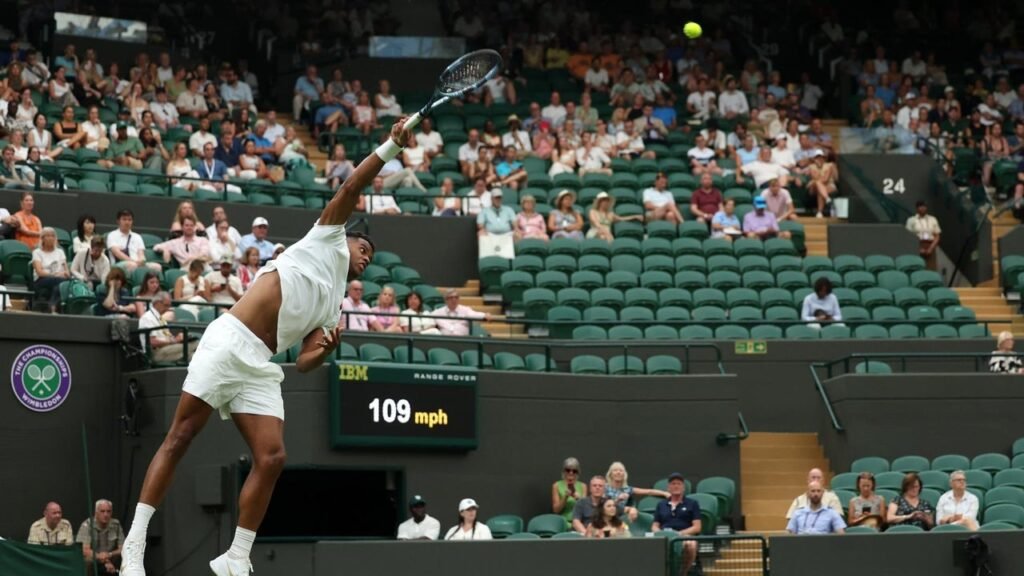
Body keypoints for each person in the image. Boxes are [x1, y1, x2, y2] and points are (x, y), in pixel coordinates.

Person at [120, 118, 402, 576]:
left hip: (260, 365)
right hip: (229, 342)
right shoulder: (326, 237)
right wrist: (391, 145)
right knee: (181, 436)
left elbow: (305, 363)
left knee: (272, 457)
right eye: (364, 249)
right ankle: (133, 545)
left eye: (371, 257)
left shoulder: (334, 305)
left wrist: (326, 351)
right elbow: (352, 185)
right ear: (346, 238)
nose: (367, 259)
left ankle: (236, 556)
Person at [651, 473, 701, 574]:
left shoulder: (692, 503)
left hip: (683, 536)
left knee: (691, 545)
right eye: (673, 484)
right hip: (665, 536)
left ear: (683, 487)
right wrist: (660, 534)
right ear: (668, 488)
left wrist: (679, 534)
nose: (676, 486)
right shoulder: (661, 504)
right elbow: (655, 526)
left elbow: (697, 527)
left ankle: (683, 573)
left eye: (679, 484)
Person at [137, 291, 199, 363]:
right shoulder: (147, 318)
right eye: (166, 305)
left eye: (169, 306)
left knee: (193, 356)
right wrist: (174, 341)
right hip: (156, 353)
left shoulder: (160, 318)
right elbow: (151, 342)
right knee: (196, 343)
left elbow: (167, 336)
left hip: (167, 348)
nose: (167, 308)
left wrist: (178, 338)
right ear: (157, 303)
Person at [605, 461, 670, 522]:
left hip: (620, 518)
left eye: (621, 470)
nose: (618, 472)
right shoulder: (605, 488)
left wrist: (664, 493)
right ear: (610, 474)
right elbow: (603, 506)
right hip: (606, 517)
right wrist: (618, 500)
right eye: (615, 470)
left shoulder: (627, 489)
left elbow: (648, 491)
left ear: (624, 474)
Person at [76, 499, 124, 574]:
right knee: (88, 561)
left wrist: (110, 555)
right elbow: (84, 550)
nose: (106, 514)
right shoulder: (87, 525)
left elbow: (123, 548)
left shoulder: (116, 525)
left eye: (108, 511)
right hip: (94, 559)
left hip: (111, 557)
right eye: (102, 511)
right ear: (96, 513)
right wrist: (103, 559)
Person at [107, 209, 161, 274]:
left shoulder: (137, 236)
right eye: (124, 219)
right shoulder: (112, 235)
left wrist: (142, 260)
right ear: (118, 221)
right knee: (132, 265)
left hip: (137, 263)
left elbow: (141, 253)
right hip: (120, 264)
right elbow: (117, 253)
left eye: (129, 220)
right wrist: (133, 261)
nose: (127, 222)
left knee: (157, 267)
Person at [32, 227, 69, 313]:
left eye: (53, 236)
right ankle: (53, 305)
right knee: (61, 282)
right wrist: (55, 275)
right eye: (48, 236)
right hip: (41, 279)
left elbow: (66, 271)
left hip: (59, 279)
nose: (51, 238)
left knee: (63, 283)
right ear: (42, 239)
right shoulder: (37, 252)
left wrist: (65, 273)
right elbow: (39, 272)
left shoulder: (60, 252)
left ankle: (52, 306)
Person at [905, 201, 941, 270]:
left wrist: (931, 248)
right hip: (917, 244)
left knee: (931, 268)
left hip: (930, 245)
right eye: (920, 206)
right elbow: (908, 237)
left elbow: (937, 236)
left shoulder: (932, 219)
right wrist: (918, 248)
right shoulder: (911, 220)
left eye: (924, 206)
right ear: (917, 208)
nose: (923, 208)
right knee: (918, 268)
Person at [552, 457, 586, 530]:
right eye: (568, 470)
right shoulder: (557, 485)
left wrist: (579, 499)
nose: (571, 473)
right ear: (564, 471)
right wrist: (565, 497)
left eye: (574, 471)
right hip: (563, 522)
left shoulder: (583, 486)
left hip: (579, 522)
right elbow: (556, 510)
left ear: (577, 472)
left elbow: (586, 509)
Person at [807, 150, 838, 218]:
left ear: (824, 158)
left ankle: (820, 212)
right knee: (818, 185)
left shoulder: (829, 165)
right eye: (817, 158)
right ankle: (827, 199)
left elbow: (825, 179)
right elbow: (815, 177)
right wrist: (817, 178)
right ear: (814, 159)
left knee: (820, 190)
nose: (819, 159)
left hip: (829, 185)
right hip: (815, 188)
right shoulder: (811, 166)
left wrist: (815, 181)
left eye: (821, 157)